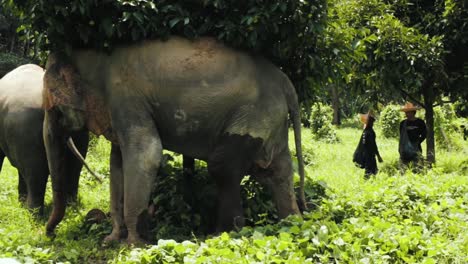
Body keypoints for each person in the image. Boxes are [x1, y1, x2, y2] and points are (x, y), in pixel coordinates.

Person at [399, 102, 427, 171]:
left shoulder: (420, 122)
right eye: (406, 112)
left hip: (416, 148)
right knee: (404, 169)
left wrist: (418, 142)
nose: (406, 114)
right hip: (405, 150)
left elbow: (424, 134)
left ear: (413, 112)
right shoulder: (403, 123)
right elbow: (401, 137)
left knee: (418, 168)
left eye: (408, 112)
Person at [358, 111, 383, 178]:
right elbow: (373, 145)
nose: (373, 123)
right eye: (372, 122)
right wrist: (378, 156)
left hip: (366, 154)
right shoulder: (370, 132)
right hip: (370, 155)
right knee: (371, 171)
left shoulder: (365, 131)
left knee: (369, 170)